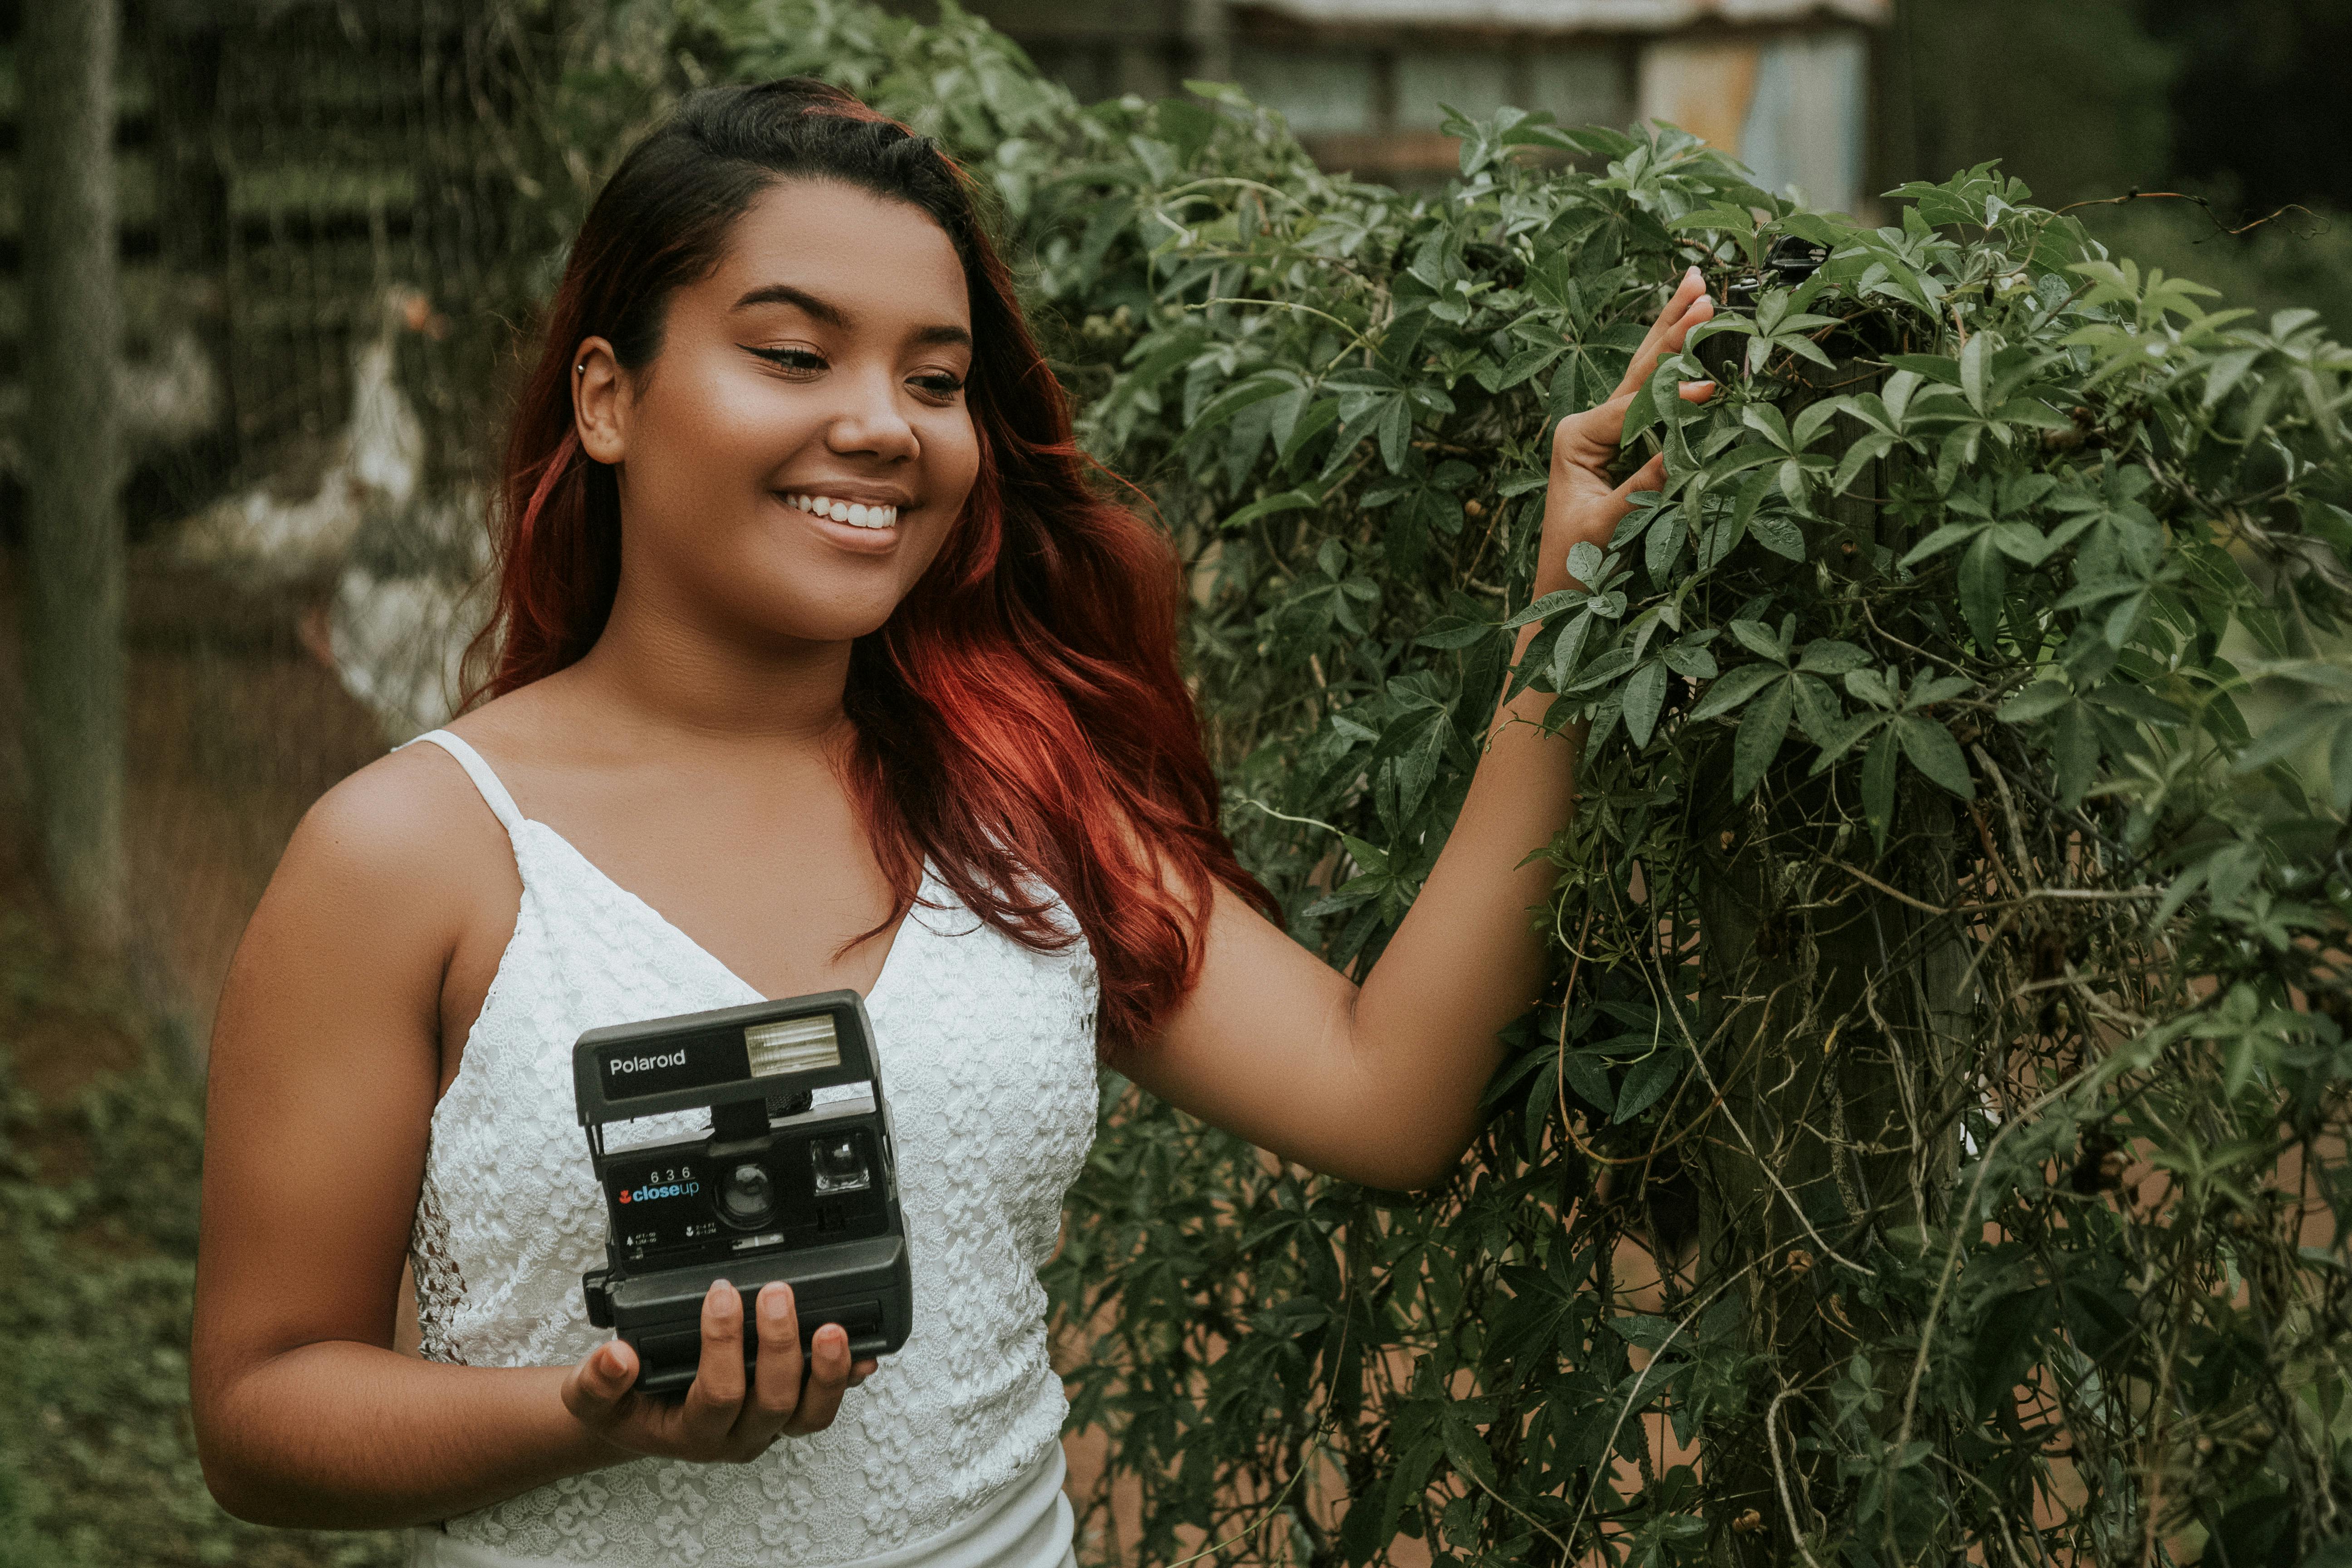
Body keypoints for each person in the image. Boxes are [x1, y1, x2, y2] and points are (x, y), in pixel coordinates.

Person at [189, 78, 1714, 1568]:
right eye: (793, 355)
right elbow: (261, 1411)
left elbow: (1386, 1094)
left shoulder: (1012, 808)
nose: (886, 428)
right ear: (608, 398)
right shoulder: (413, 853)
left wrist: (1564, 635)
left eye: (934, 380)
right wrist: (594, 1415)